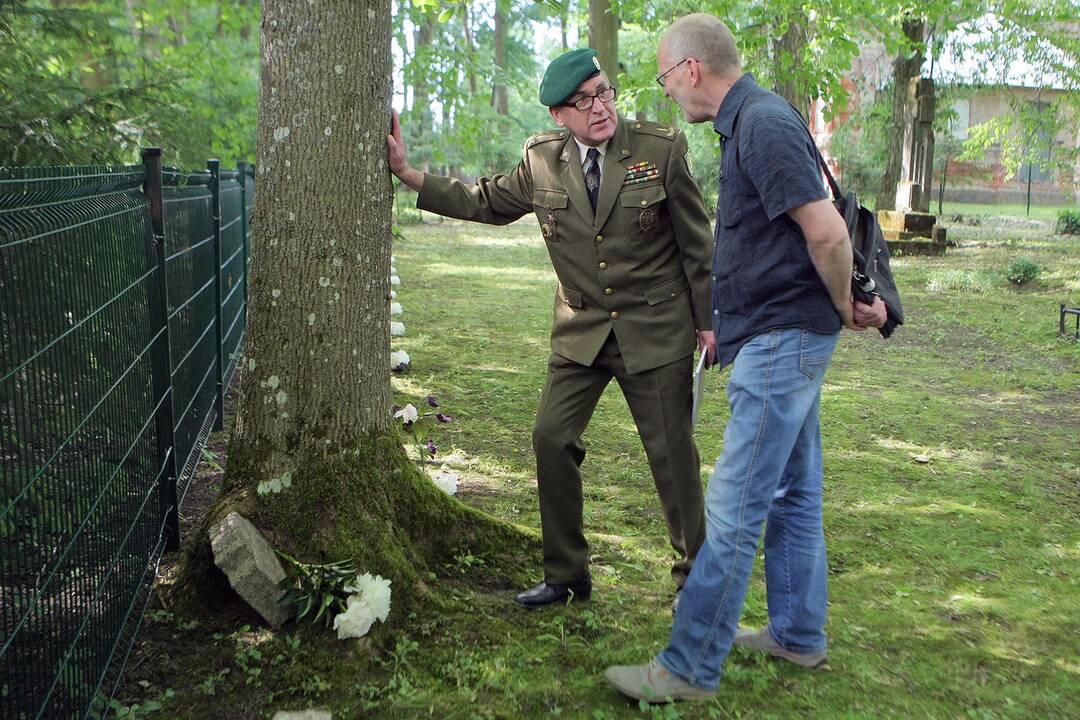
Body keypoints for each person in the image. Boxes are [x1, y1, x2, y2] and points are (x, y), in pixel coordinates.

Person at [605, 14, 887, 702]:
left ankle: (688, 666)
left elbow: (825, 232)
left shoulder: (759, 122)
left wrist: (843, 302)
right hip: (780, 332)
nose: (669, 92)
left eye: (667, 78)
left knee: (734, 505)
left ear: (691, 70)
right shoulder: (753, 122)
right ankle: (797, 634)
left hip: (782, 338)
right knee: (793, 491)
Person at [386, 48, 717, 608]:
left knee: (671, 454)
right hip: (581, 329)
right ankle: (567, 575)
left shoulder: (659, 149)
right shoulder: (542, 159)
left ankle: (696, 581)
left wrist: (709, 322)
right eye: (583, 101)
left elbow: (696, 239)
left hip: (655, 327)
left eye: (604, 91)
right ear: (559, 115)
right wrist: (407, 174)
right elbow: (486, 201)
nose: (600, 107)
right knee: (551, 436)